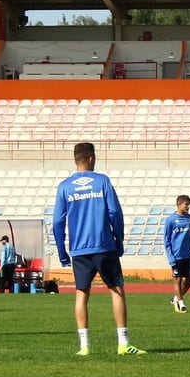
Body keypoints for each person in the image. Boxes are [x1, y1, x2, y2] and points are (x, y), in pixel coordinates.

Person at [52, 141, 142, 355]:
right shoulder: (102, 181)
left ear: (76, 159)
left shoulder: (64, 186)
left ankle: (84, 347)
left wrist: (62, 250)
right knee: (117, 291)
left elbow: (57, 221)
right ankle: (123, 344)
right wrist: (118, 239)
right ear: (91, 158)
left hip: (79, 249)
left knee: (81, 294)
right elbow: (115, 213)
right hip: (104, 245)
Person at [163, 194, 190, 313]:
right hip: (176, 256)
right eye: (186, 204)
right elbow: (167, 240)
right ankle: (181, 304)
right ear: (179, 205)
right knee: (178, 280)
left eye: (189, 205)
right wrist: (171, 258)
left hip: (188, 256)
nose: (188, 207)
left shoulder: (189, 218)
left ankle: (176, 298)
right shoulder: (170, 220)